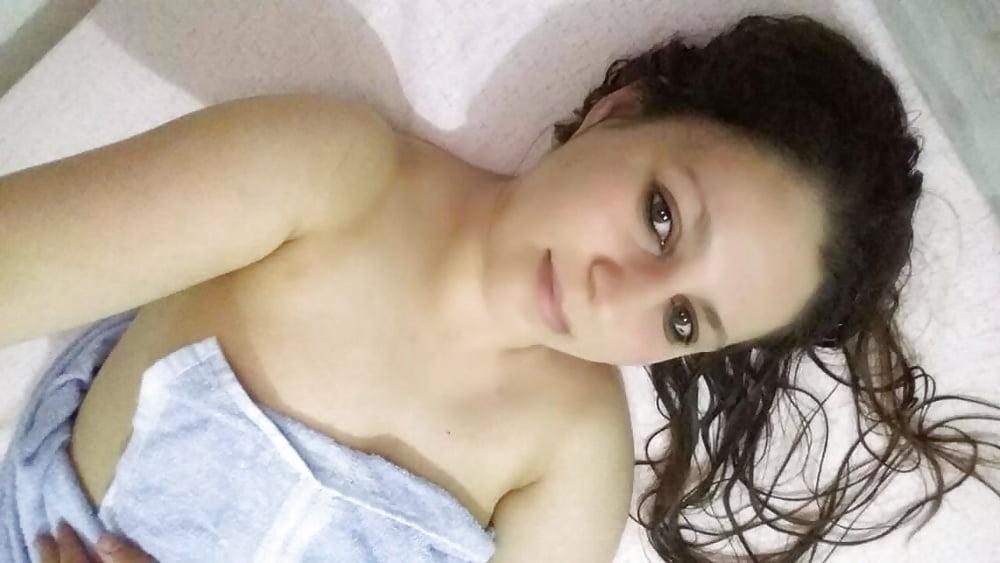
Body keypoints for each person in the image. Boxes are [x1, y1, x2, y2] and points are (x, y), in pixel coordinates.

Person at [1, 13, 997, 562]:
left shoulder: (573, 456)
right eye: (660, 216)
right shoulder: (328, 171)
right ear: (622, 108)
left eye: (681, 317)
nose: (618, 293)